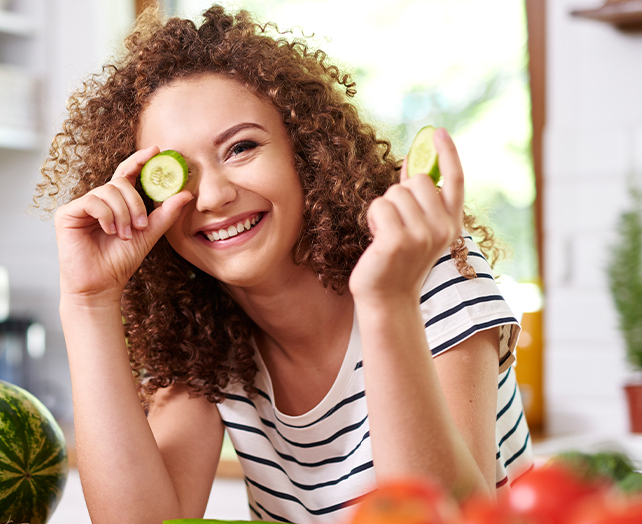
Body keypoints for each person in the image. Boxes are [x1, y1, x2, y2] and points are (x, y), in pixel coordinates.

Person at [35, 5, 532, 523]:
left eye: (241, 148)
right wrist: (89, 301)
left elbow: (449, 518)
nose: (213, 196)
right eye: (176, 173)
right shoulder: (207, 337)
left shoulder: (427, 270)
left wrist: (388, 303)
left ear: (305, 152)